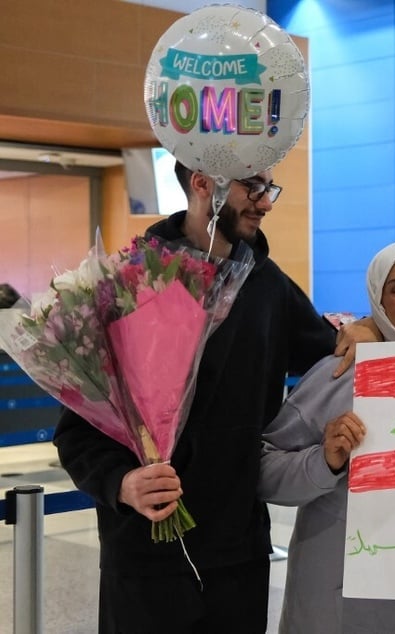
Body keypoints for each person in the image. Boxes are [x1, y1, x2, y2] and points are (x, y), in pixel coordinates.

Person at [53, 161, 347, 633]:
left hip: (238, 553)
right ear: (203, 183)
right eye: (252, 188)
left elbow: (329, 354)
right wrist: (123, 483)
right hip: (144, 552)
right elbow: (76, 432)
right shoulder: (131, 282)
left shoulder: (269, 287)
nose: (267, 202)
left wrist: (362, 332)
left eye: (270, 187)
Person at [258, 239, 395, 634]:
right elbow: (262, 469)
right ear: (379, 303)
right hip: (344, 602)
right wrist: (324, 461)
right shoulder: (344, 371)